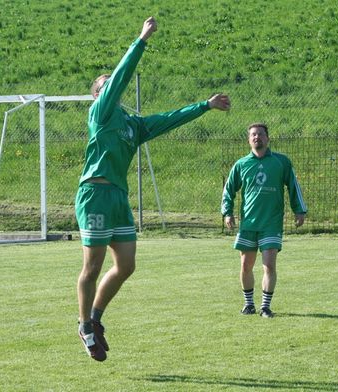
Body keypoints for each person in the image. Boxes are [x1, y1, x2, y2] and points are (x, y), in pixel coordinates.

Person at [75, 16, 231, 361]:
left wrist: (204, 106)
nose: (114, 86)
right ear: (100, 94)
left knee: (127, 265)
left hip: (117, 197)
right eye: (107, 83)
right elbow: (122, 76)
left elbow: (167, 119)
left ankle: (96, 319)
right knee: (93, 267)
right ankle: (84, 324)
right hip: (95, 195)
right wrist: (141, 40)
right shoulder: (99, 113)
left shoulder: (131, 125)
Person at [221, 123, 306, 318]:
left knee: (269, 265)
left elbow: (293, 185)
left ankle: (265, 307)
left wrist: (299, 210)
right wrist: (227, 212)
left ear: (268, 139)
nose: (257, 137)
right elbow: (228, 190)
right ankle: (249, 304)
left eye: (260, 134)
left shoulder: (281, 162)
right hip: (249, 223)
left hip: (271, 223)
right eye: (253, 135)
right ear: (249, 140)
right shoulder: (241, 164)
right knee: (245, 266)